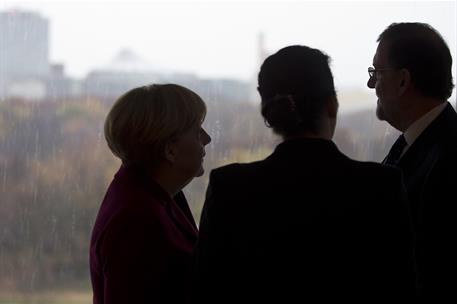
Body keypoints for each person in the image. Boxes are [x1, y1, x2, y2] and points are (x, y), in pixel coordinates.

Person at [192, 45, 416, 303]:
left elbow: (205, 289)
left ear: (269, 114)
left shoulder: (229, 187)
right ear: (332, 105)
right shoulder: (381, 186)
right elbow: (402, 290)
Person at [89, 84, 211, 304]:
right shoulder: (135, 220)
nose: (207, 139)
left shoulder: (149, 194)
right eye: (197, 131)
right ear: (170, 150)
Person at [367, 22, 457, 299]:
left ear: (404, 81)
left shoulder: (448, 161)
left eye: (376, 72)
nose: (371, 84)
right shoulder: (423, 143)